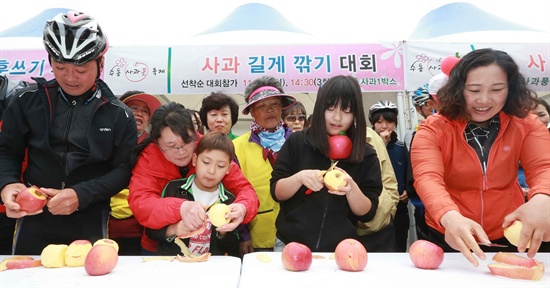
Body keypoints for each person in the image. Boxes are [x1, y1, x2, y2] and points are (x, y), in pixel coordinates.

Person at [0, 11, 138, 255]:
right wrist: (8, 184)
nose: (70, 77)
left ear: (101, 63)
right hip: (34, 214)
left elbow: (123, 171)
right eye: (60, 67)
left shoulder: (120, 115)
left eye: (82, 69)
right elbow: (7, 151)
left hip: (89, 214)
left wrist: (81, 194)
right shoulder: (26, 101)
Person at [411, 48, 550, 267]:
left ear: (511, 89)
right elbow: (427, 177)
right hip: (450, 232)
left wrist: (543, 197)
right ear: (458, 89)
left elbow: (544, 167)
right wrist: (448, 215)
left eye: (497, 89)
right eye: (473, 90)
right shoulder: (433, 129)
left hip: (510, 232)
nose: (483, 100)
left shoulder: (527, 124)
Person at [128, 102, 258, 255]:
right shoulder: (148, 158)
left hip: (209, 250)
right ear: (157, 142)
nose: (182, 151)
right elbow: (140, 202)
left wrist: (243, 207)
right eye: (171, 145)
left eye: (188, 141)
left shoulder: (207, 149)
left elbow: (244, 189)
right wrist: (181, 208)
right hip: (160, 247)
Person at [270, 75, 383, 252]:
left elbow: (367, 213)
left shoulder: (366, 154)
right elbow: (276, 191)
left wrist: (351, 189)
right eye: (330, 108)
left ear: (355, 114)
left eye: (346, 110)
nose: (337, 117)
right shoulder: (297, 142)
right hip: (290, 244)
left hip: (341, 250)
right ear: (320, 107)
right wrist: (299, 178)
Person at [146, 132, 242, 256]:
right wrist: (174, 229)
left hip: (209, 268)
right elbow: (151, 229)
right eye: (206, 162)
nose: (211, 171)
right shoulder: (174, 189)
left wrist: (223, 233)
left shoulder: (228, 200)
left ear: (228, 168)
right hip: (174, 266)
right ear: (195, 160)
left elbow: (233, 247)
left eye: (220, 166)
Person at [233, 75, 296, 252]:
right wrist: (243, 235)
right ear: (252, 112)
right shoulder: (236, 147)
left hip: (297, 235)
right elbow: (234, 193)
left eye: (274, 104)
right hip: (258, 237)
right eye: (262, 106)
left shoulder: (300, 142)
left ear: (282, 108)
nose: (269, 110)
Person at [109, 92, 162, 255]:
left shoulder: (154, 145)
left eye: (145, 111)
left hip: (141, 228)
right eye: (134, 108)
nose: (139, 113)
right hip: (107, 225)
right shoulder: (107, 139)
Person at [368, 101, 411, 252]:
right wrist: (381, 144)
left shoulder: (400, 147)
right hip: (374, 208)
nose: (385, 126)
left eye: (389, 122)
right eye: (379, 122)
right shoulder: (367, 147)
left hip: (399, 209)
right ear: (372, 124)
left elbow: (409, 172)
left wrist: (407, 189)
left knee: (398, 249)